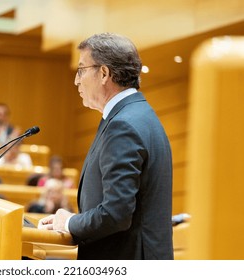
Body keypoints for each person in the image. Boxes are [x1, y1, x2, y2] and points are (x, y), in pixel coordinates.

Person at [38, 33, 173, 260]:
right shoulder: (138, 115)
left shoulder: (123, 124)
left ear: (103, 73)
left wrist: (70, 222)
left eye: (81, 70)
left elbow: (116, 213)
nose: (76, 80)